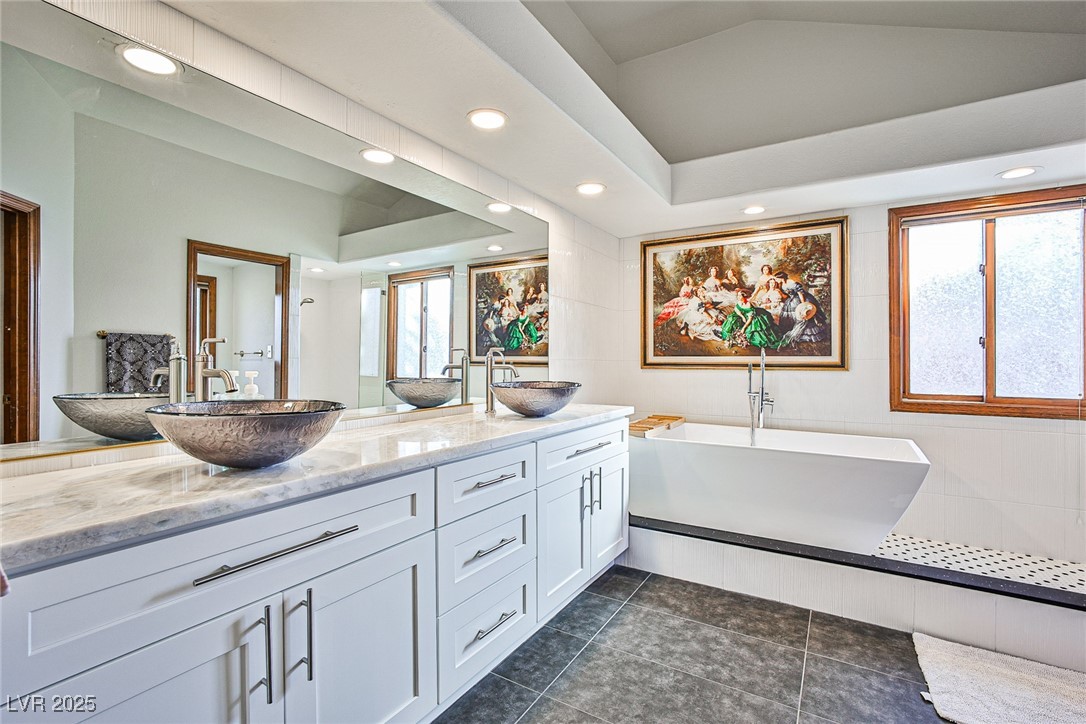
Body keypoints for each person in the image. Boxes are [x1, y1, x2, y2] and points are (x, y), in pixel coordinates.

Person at [719, 289, 785, 349]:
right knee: (731, 319)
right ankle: (732, 336)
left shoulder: (748, 305)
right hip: (743, 316)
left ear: (744, 297)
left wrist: (743, 328)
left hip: (752, 317)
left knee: (756, 330)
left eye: (739, 296)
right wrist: (742, 317)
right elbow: (737, 310)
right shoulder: (739, 302)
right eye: (738, 295)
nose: (738, 297)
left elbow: (750, 319)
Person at [776, 271, 828, 345]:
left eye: (777, 279)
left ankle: (807, 335)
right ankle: (794, 331)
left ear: (781, 278)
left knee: (804, 315)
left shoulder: (791, 283)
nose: (776, 280)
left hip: (801, 298)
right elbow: (787, 295)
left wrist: (803, 304)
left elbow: (800, 293)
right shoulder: (782, 284)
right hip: (791, 300)